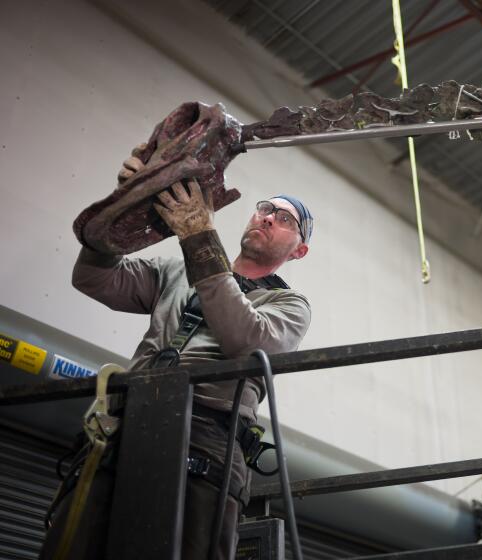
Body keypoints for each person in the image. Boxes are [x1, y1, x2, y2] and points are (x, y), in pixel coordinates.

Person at [40, 144, 313, 559]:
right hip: (126, 420)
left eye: (285, 219)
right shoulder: (176, 269)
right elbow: (93, 277)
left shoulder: (290, 306)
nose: (268, 217)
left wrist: (199, 236)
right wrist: (124, 206)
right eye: (265, 209)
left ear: (299, 251)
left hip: (208, 437)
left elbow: (245, 340)